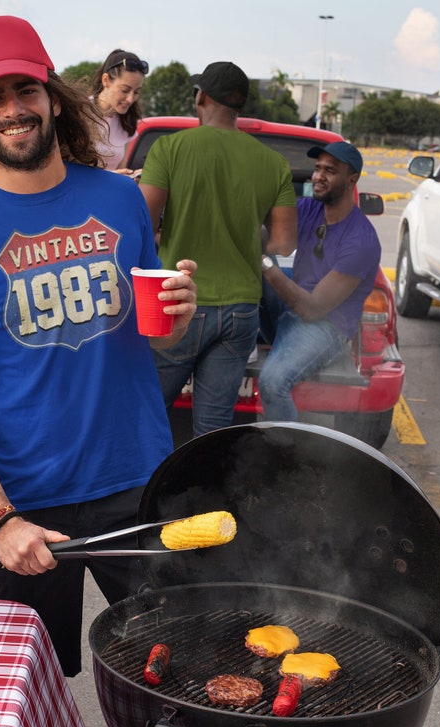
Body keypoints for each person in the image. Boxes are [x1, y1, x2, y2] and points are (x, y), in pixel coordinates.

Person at [0, 15, 197, 678]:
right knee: (22, 692)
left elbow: (157, 329)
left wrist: (179, 312)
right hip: (25, 502)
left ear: (52, 96)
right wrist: (0, 518)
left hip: (138, 484)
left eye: (25, 89)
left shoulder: (121, 203)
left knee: (175, 672)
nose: (13, 110)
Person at [139, 61, 297, 438]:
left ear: (202, 98)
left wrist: (166, 236)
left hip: (180, 305)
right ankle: (202, 495)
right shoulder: (274, 164)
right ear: (239, 106)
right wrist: (243, 235)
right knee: (212, 429)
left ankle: (141, 493)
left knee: (147, 412)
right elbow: (284, 243)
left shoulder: (169, 149)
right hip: (242, 311)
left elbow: (140, 223)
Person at [258, 141, 381, 422]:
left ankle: (284, 456)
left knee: (273, 383)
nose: (318, 176)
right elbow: (266, 225)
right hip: (290, 311)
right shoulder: (308, 209)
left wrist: (263, 262)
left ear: (352, 179)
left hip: (326, 327)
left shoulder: (361, 240)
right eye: (316, 169)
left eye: (329, 170)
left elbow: (313, 309)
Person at [90, 49, 148, 175]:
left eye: (137, 92)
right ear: (105, 80)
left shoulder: (127, 122)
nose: (130, 99)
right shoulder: (80, 113)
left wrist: (131, 176)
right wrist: (112, 177)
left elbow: (120, 170)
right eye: (125, 90)